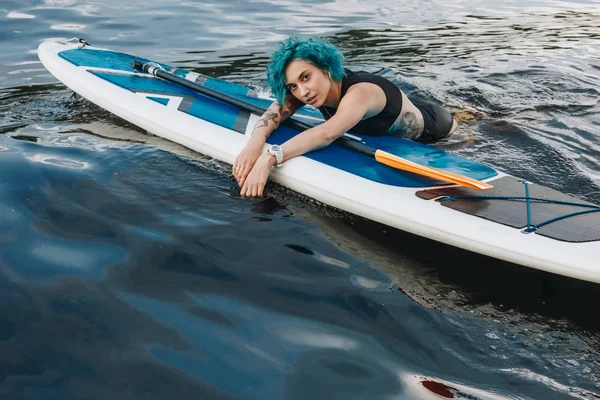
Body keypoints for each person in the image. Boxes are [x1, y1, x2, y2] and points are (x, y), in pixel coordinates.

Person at [233, 37, 458, 197]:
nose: (302, 92)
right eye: (293, 85)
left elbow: (326, 133)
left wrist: (268, 158)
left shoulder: (360, 94)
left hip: (437, 128)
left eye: (306, 77)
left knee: (464, 131)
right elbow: (274, 113)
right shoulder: (308, 92)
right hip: (400, 109)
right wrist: (256, 141)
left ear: (326, 68)